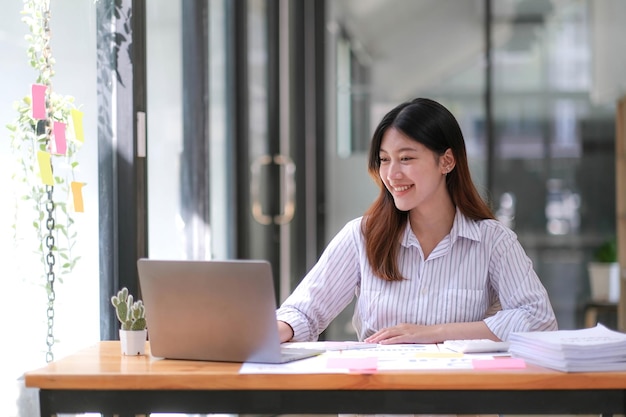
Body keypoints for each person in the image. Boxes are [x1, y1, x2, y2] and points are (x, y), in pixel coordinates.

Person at [276, 97, 557, 345]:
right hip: (380, 398)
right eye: (384, 160)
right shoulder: (362, 234)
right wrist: (272, 330)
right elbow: (303, 312)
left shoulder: (493, 241)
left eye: (406, 158)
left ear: (446, 161)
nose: (392, 174)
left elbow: (538, 320)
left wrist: (435, 332)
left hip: (457, 397)